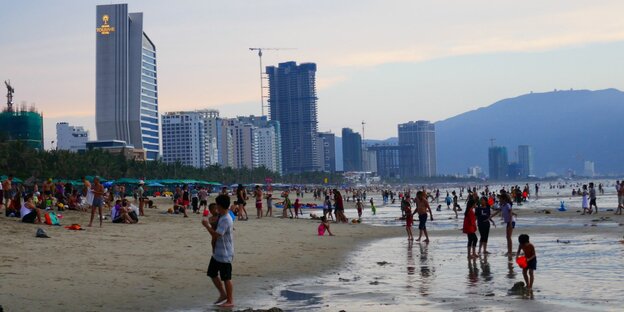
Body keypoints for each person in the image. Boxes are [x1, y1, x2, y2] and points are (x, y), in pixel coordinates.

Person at [202, 194, 234, 308]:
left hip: (225, 253)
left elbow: (216, 234)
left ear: (221, 206)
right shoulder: (221, 215)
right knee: (212, 273)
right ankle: (223, 294)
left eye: (217, 206)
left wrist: (206, 226)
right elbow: (214, 220)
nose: (216, 208)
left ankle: (230, 300)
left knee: (226, 277)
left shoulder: (226, 219)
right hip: (217, 252)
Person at [492, 191, 514, 256]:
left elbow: (510, 214)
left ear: (504, 199)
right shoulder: (503, 205)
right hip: (508, 222)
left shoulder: (507, 205)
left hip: (511, 222)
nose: (499, 200)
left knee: (508, 237)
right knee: (508, 237)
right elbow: (497, 212)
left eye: (500, 199)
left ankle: (510, 251)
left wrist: (510, 223)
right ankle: (509, 251)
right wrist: (490, 217)